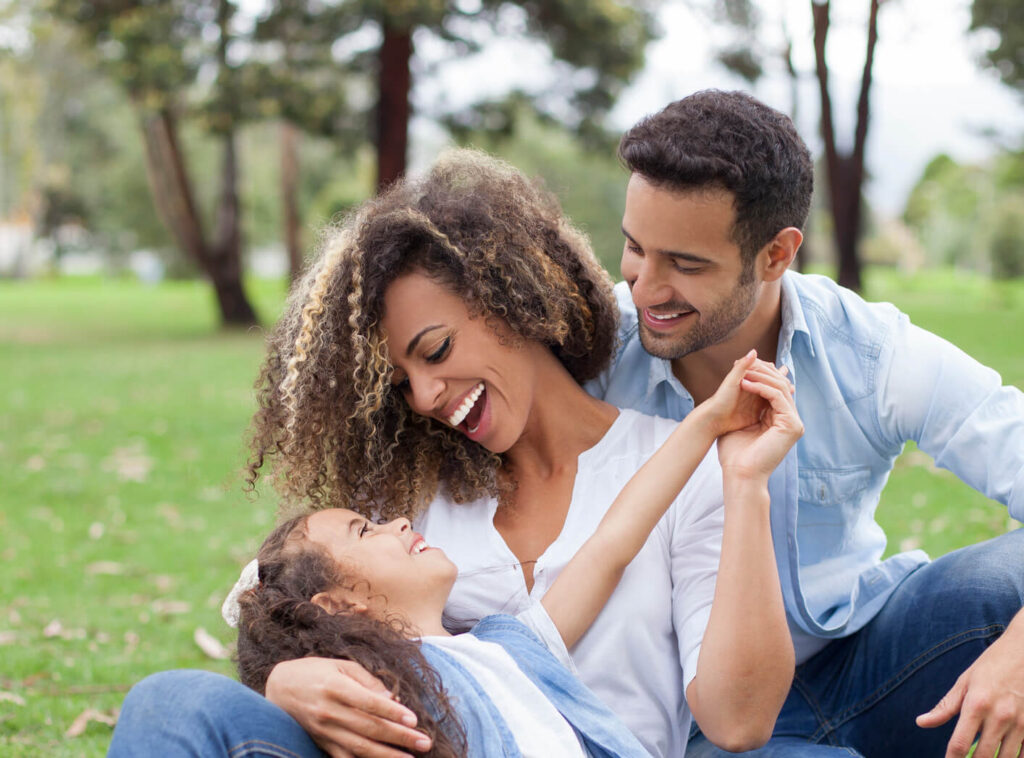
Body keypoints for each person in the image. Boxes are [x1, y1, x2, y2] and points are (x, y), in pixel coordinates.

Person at [107, 150, 797, 758]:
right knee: (170, 704)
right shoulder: (410, 504)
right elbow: (276, 592)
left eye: (434, 350)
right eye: (400, 382)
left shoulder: (671, 480)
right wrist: (284, 679)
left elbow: (625, 554)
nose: (428, 396)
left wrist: (727, 457)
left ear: (513, 299)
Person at [590, 89, 1024, 758]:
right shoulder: (591, 355)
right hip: (707, 719)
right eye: (635, 249)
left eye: (685, 263)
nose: (645, 286)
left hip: (874, 658)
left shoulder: (871, 353)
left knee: (1009, 575)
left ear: (776, 255)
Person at [109, 350, 799, 757]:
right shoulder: (364, 698)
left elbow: (618, 536)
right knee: (168, 703)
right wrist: (283, 682)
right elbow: (263, 626)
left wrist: (712, 422)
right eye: (362, 531)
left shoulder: (517, 646)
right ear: (341, 604)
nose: (392, 525)